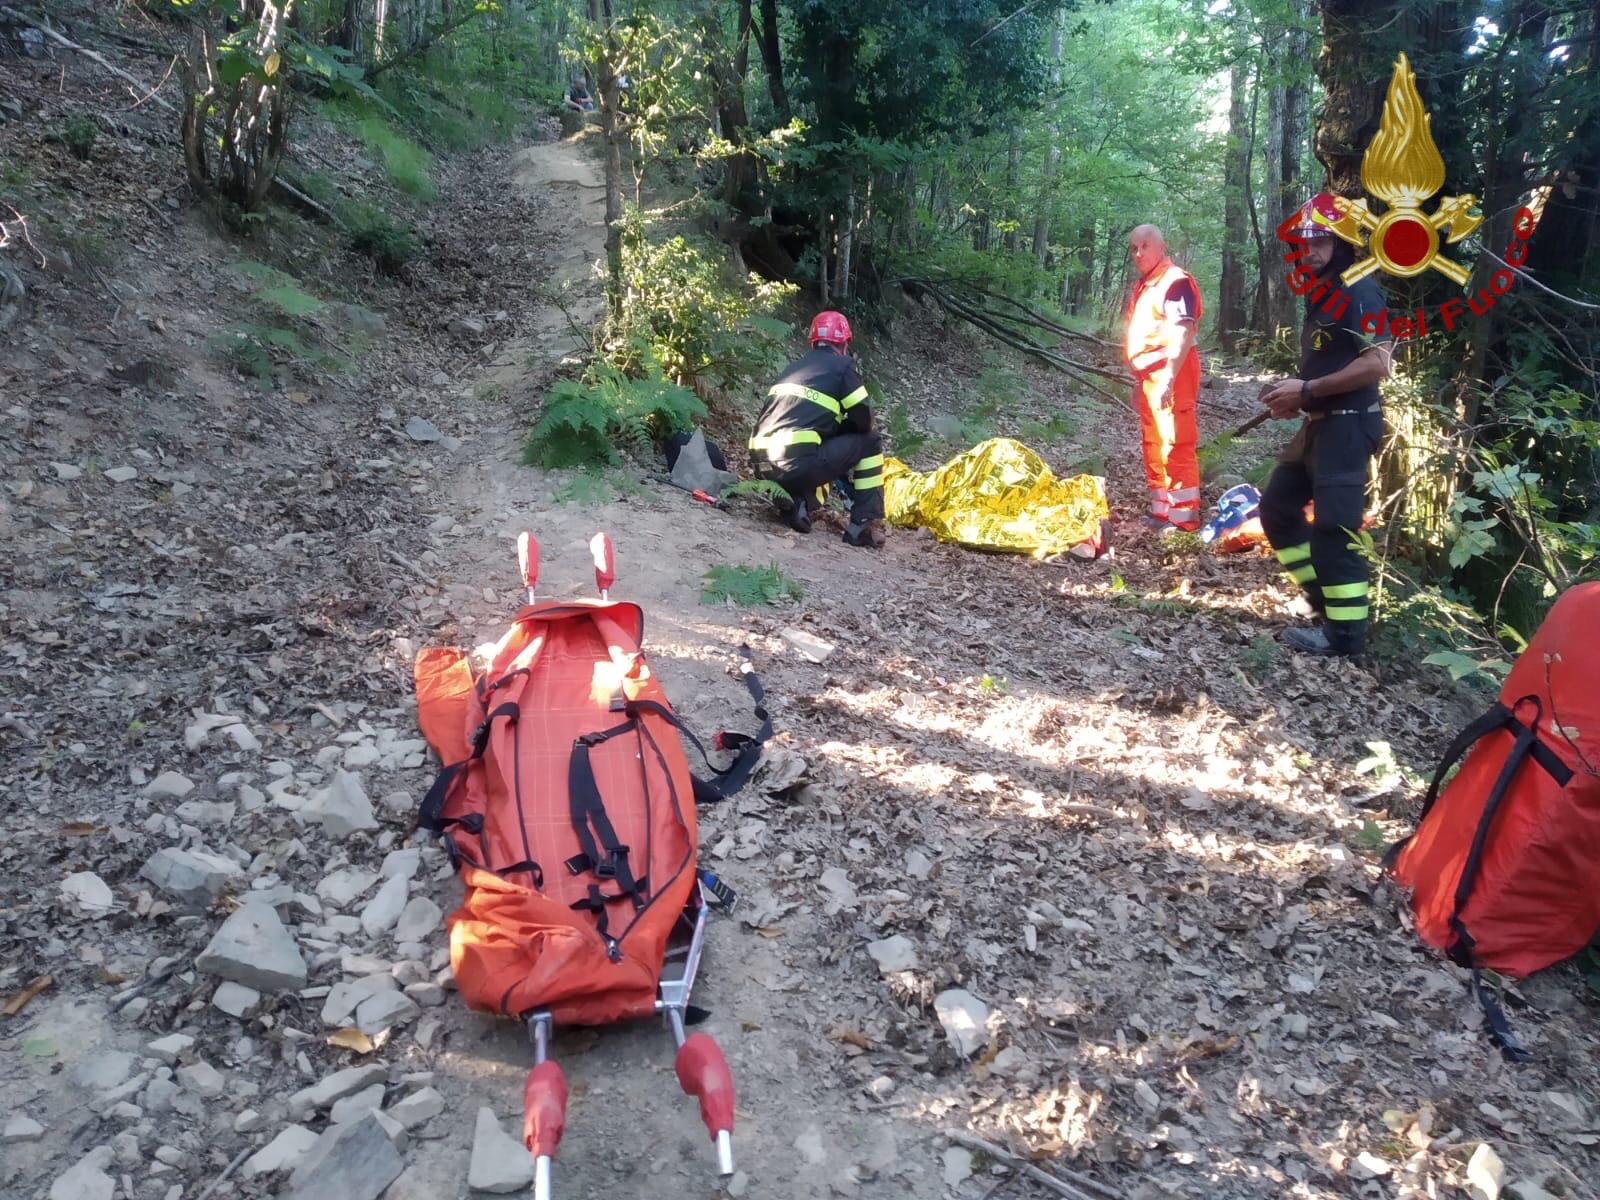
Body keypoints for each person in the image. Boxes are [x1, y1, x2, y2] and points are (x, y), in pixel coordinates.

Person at [1257, 192, 1393, 657]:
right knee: (1277, 509)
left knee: (1336, 528)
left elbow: (1378, 363)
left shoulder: (1360, 290)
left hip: (1348, 426)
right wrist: (1295, 393)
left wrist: (1308, 391)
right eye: (1304, 242)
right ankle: (1324, 603)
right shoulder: (1324, 294)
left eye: (1320, 241)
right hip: (1318, 423)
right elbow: (1330, 363)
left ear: (1343, 242)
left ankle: (1346, 638)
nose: (1309, 250)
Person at [748, 311, 886, 548]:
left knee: (817, 449)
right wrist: (845, 428)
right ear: (843, 344)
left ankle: (798, 502)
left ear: (813, 342)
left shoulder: (794, 367)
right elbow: (864, 420)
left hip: (762, 463)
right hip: (798, 462)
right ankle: (862, 524)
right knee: (870, 441)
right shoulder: (842, 367)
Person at [1123, 225, 1204, 533]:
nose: (1138, 253)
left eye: (1144, 246)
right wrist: (1141, 379)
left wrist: (1169, 377)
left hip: (1173, 370)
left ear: (1161, 246)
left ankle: (1183, 520)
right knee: (1153, 442)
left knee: (1176, 442)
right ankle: (1162, 513)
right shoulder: (1148, 285)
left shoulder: (1174, 282)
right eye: (1133, 248)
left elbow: (1182, 329)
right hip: (1149, 374)